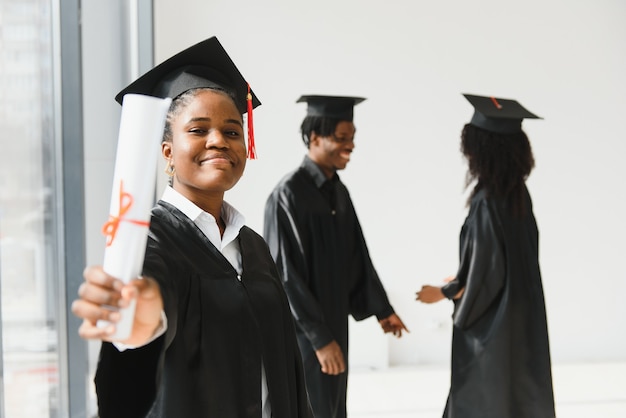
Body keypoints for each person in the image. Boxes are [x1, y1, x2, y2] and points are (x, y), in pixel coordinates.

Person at [71, 37, 313, 418]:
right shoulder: (151, 238)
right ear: (167, 151)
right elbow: (150, 302)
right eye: (198, 130)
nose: (218, 140)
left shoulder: (253, 246)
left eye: (232, 131)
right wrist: (143, 323)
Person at [263, 95, 409, 418]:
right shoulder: (287, 196)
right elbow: (284, 276)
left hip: (335, 326)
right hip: (303, 334)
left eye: (352, 138)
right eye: (342, 138)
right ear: (315, 138)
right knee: (307, 406)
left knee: (332, 407)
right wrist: (319, 338)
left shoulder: (338, 192)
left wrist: (382, 310)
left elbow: (358, 257)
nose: (351, 146)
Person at [416, 94, 555, 417]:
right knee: (517, 398)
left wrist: (445, 291)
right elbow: (500, 264)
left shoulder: (486, 202)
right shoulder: (519, 197)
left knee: (483, 401)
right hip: (521, 321)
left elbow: (484, 278)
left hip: (491, 328)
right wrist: (465, 275)